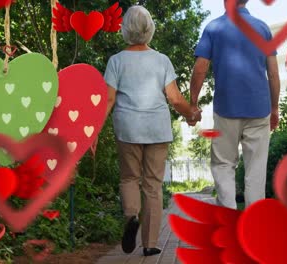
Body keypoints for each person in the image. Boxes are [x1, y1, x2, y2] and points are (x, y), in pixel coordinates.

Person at [102, 5, 202, 257]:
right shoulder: (161, 60)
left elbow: (108, 100)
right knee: (153, 185)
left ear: (125, 29)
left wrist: (93, 132)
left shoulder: (116, 61)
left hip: (127, 128)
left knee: (129, 178)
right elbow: (175, 98)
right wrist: (190, 113)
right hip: (156, 128)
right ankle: (150, 243)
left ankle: (132, 216)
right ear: (150, 30)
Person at [189, 0, 280, 209]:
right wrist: (274, 108)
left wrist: (193, 104)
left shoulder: (214, 28)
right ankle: (254, 228)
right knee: (256, 171)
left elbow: (200, 68)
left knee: (223, 166)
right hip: (259, 108)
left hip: (226, 109)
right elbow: (273, 74)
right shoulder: (263, 28)